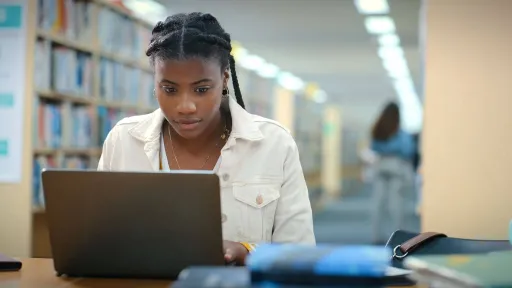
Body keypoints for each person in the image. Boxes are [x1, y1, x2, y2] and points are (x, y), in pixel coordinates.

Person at [97, 12, 316, 266]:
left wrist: (249, 252)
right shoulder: (123, 141)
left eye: (201, 89)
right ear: (155, 84)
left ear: (224, 79)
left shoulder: (274, 144)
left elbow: (301, 252)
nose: (185, 106)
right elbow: (103, 240)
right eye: (169, 89)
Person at [370, 102, 415, 244]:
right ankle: (398, 236)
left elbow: (374, 147)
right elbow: (408, 150)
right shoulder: (400, 133)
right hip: (397, 168)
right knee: (396, 204)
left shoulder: (378, 130)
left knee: (378, 203)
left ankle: (376, 236)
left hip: (381, 167)